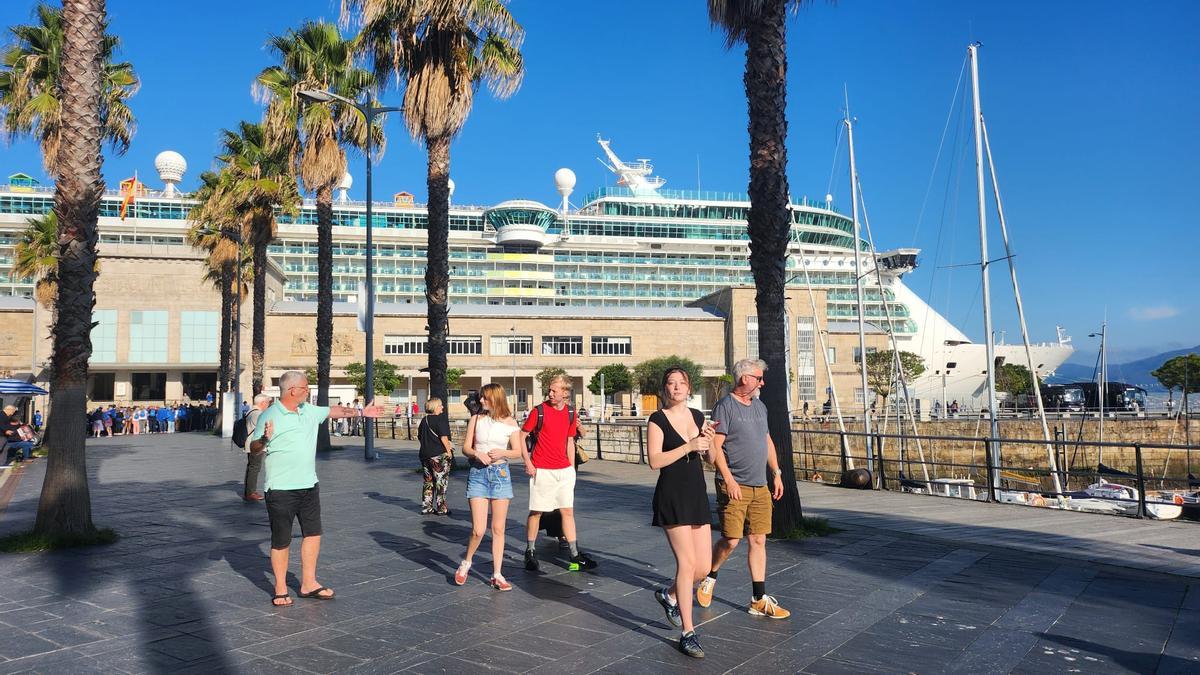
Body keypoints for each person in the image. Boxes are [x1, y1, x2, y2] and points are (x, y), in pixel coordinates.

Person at [247, 370, 382, 607]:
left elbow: (334, 411)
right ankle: (280, 588)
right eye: (305, 388)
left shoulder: (308, 410)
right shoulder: (270, 415)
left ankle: (308, 583)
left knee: (313, 534)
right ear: (292, 390)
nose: (308, 391)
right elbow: (255, 448)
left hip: (309, 485)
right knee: (282, 540)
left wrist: (362, 412)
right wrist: (265, 439)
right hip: (280, 489)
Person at [696, 359, 791, 620]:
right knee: (731, 540)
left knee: (759, 539)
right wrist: (728, 479)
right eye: (758, 378)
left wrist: (777, 473)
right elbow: (716, 447)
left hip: (760, 484)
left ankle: (758, 599)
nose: (762, 382)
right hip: (734, 483)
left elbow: (766, 440)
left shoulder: (760, 406)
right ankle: (710, 576)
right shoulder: (725, 407)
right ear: (744, 379)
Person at [647, 368, 718, 659]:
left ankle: (670, 595)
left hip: (696, 494)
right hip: (672, 495)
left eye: (681, 383)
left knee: (702, 569)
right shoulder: (658, 420)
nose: (676, 388)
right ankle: (688, 633)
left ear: (689, 388)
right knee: (687, 564)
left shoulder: (698, 416)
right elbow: (654, 460)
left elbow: (711, 458)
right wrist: (688, 445)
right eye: (671, 383)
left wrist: (710, 440)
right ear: (665, 389)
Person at [521, 375, 597, 572]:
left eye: (555, 390)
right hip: (542, 469)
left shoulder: (570, 412)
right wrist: (528, 462)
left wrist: (571, 469)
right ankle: (530, 552)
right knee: (537, 511)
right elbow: (521, 436)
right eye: (550, 390)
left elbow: (570, 441)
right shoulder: (538, 411)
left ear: (565, 393)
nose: (550, 393)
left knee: (567, 512)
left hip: (563, 470)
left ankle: (575, 555)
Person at [455, 384, 522, 591]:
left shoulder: (511, 423)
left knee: (499, 528)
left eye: (485, 398)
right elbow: (465, 447)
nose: (481, 401)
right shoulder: (476, 419)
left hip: (500, 475)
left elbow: (518, 451)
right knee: (478, 529)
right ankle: (466, 562)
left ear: (495, 399)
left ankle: (497, 574)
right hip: (478, 474)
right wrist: (477, 453)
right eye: (481, 398)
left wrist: (503, 453)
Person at [417, 397, 454, 515]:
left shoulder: (424, 420)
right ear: (436, 407)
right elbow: (444, 437)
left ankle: (426, 506)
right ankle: (441, 508)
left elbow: (419, 436)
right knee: (441, 481)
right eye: (441, 405)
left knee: (428, 481)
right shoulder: (440, 420)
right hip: (438, 455)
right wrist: (449, 452)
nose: (442, 407)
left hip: (425, 454)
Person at [243, 394, 272, 502]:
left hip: (252, 444)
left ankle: (249, 491)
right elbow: (266, 426)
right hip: (256, 444)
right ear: (262, 403)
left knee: (252, 467)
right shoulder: (258, 414)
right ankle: (250, 492)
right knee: (254, 468)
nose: (268, 405)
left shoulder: (251, 412)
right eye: (267, 402)